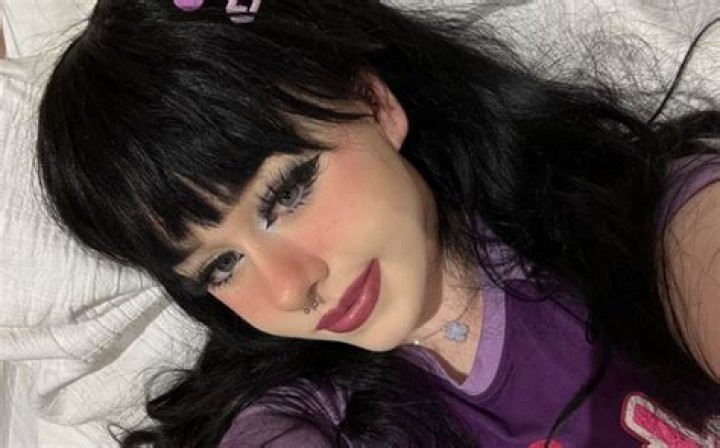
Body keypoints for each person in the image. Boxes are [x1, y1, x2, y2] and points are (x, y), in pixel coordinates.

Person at [35, 0, 720, 446]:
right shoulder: (301, 416)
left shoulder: (650, 219)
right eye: (221, 266)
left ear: (373, 102)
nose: (291, 288)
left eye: (286, 193)